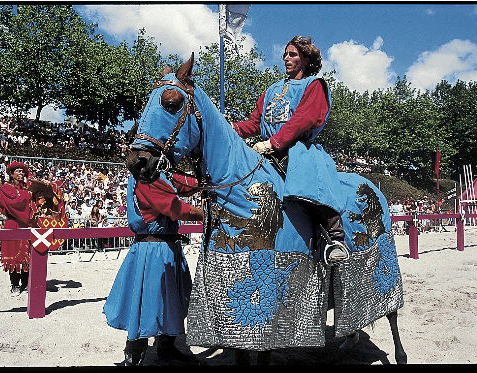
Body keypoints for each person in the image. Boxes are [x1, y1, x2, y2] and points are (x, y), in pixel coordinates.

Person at [231, 35, 348, 266]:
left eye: (292, 54)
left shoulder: (314, 85)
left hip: (297, 150)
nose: (286, 58)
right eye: (285, 54)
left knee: (313, 182)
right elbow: (255, 124)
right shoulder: (271, 90)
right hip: (265, 150)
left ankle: (334, 238)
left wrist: (274, 143)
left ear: (305, 59)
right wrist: (231, 128)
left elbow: (303, 119)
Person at [103, 171, 204, 366]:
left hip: (167, 247)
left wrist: (205, 181)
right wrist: (205, 214)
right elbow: (175, 208)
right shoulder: (146, 176)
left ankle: (166, 348)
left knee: (172, 302)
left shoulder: (160, 173)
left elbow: (183, 185)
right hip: (152, 250)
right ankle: (134, 354)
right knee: (145, 303)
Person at [0, 161, 33, 296]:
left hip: (26, 225)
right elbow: (16, 204)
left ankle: (26, 283)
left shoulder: (26, 189)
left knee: (27, 255)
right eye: (18, 171)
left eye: (22, 171)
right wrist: (29, 196)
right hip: (13, 224)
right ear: (11, 174)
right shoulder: (6, 188)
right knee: (13, 256)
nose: (21, 173)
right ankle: (15, 285)